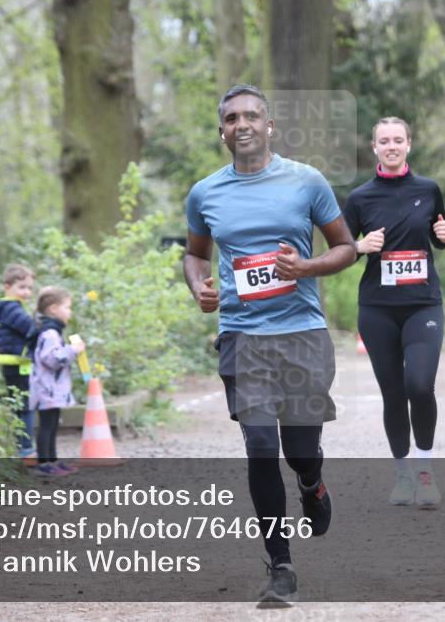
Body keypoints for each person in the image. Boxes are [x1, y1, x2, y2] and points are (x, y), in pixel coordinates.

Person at [183, 84, 356, 605]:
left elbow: (346, 247)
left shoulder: (306, 182)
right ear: (222, 132)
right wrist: (200, 286)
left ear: (270, 125)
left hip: (301, 333)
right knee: (260, 448)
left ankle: (312, 482)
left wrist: (306, 267)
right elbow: (195, 255)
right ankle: (280, 566)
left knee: (300, 451)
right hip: (242, 336)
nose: (243, 124)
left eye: (252, 115)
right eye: (232, 118)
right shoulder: (205, 193)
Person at [343, 116, 445, 508]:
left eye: (398, 140)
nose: (391, 146)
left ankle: (425, 471)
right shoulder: (360, 198)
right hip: (378, 309)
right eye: (384, 140)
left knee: (419, 386)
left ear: (409, 144)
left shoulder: (428, 189)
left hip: (423, 304)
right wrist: (359, 247)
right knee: (393, 393)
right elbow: (340, 249)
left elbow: (441, 233)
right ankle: (403, 476)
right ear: (374, 147)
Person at [27, 286, 85, 477]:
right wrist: (72, 350)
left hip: (53, 390)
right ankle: (44, 463)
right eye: (67, 307)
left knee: (52, 425)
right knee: (46, 426)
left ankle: (53, 460)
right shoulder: (49, 333)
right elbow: (51, 359)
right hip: (47, 390)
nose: (70, 312)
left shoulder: (53, 332)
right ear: (53, 309)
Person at [0, 264, 38, 460]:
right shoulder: (12, 309)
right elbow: (31, 329)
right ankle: (26, 449)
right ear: (7, 286)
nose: (27, 292)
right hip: (18, 364)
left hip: (13, 364)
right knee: (25, 406)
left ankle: (22, 446)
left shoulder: (5, 308)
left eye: (30, 288)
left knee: (19, 405)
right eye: (22, 287)